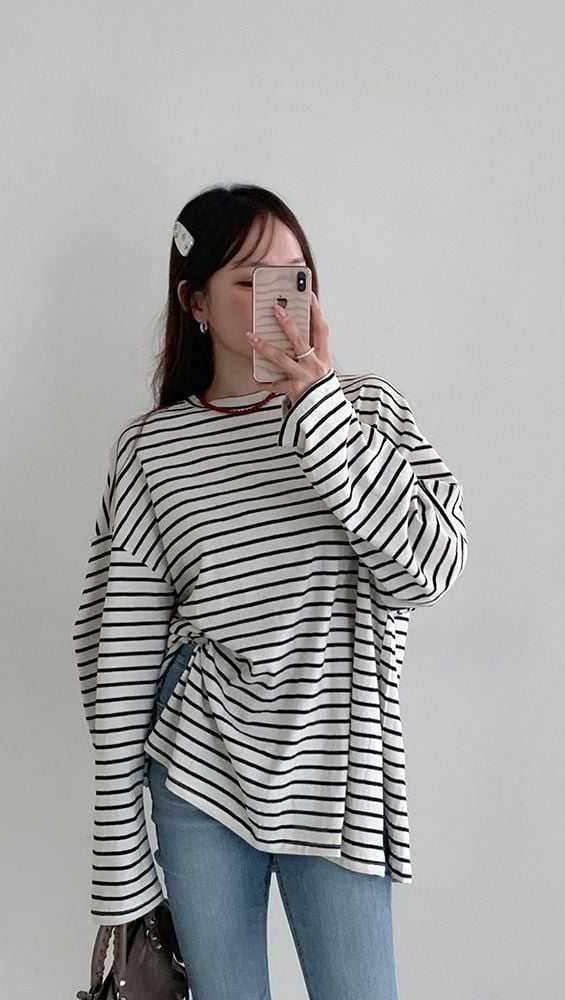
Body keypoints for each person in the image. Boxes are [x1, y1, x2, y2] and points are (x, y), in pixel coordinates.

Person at [72, 183, 469, 1000]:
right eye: (250, 282)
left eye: (295, 278)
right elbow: (117, 655)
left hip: (338, 769)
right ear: (196, 303)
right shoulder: (153, 450)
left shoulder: (365, 411)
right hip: (198, 770)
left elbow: (428, 568)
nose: (278, 301)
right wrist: (120, 854)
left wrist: (317, 410)